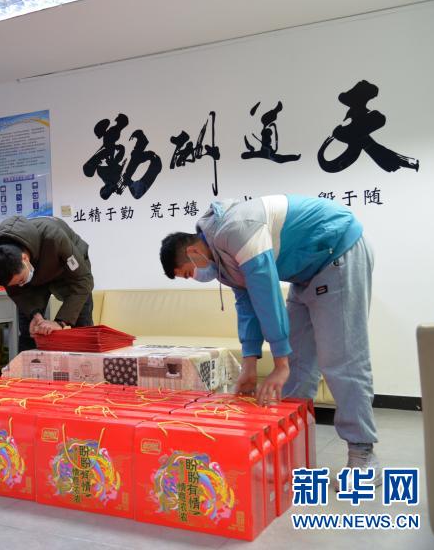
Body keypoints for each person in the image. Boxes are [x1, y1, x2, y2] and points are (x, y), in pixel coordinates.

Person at [159, 194, 379, 482]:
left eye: (189, 273)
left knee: (340, 358)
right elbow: (247, 307)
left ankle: (363, 454)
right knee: (297, 365)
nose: (195, 277)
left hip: (337, 252)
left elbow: (266, 291)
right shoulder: (222, 263)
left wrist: (279, 362)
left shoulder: (236, 230)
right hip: (306, 273)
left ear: (192, 252)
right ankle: (292, 450)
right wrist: (249, 367)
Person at [0, 216, 94, 351]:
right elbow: (17, 293)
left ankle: (85, 363)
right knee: (30, 330)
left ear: (24, 258)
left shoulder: (54, 237)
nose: (20, 285)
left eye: (21, 280)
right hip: (35, 275)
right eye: (16, 283)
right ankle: (29, 364)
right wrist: (34, 314)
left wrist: (60, 322)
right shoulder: (1, 260)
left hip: (69, 269)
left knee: (82, 328)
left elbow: (83, 280)